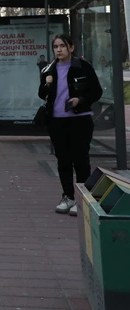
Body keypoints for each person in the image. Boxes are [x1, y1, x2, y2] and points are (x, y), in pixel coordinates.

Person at [38, 34, 102, 216]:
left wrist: (79, 100)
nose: (59, 50)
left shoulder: (82, 67)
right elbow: (42, 95)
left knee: (80, 160)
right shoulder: (49, 70)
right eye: (55, 47)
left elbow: (96, 92)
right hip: (56, 121)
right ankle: (68, 197)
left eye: (62, 46)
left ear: (71, 48)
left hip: (79, 119)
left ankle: (83, 200)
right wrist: (46, 85)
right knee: (63, 161)